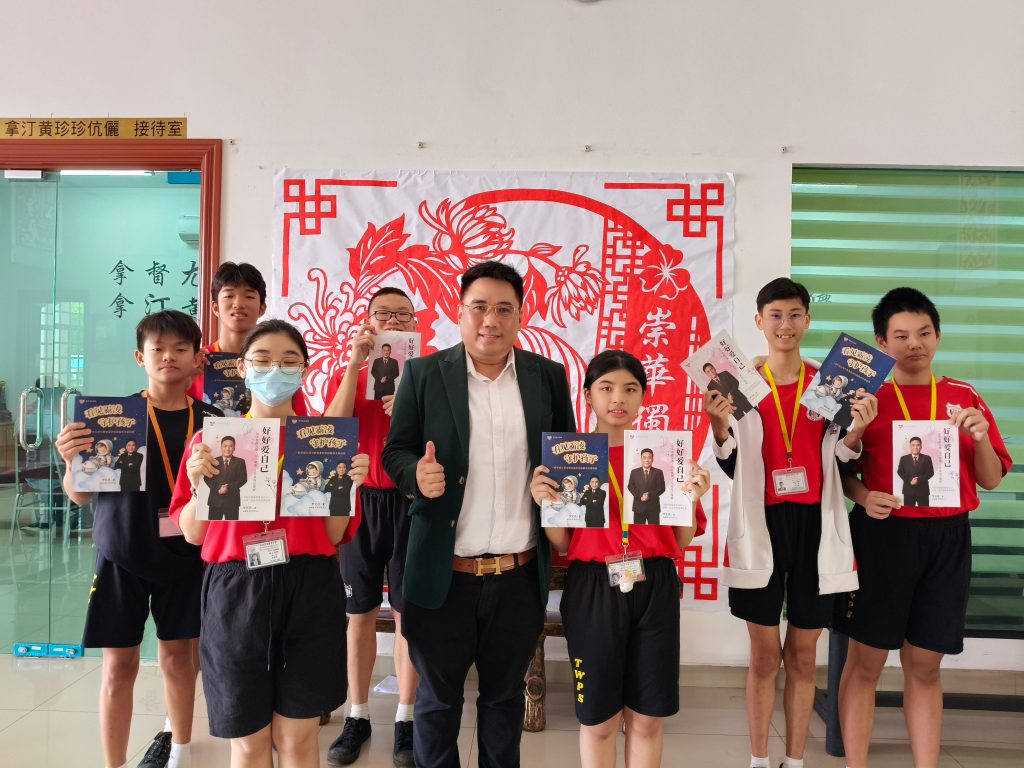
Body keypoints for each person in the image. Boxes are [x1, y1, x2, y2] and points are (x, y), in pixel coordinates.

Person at [382, 262, 576, 768]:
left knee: (504, 700)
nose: (491, 320)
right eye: (480, 307)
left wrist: (557, 488)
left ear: (520, 315)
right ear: (459, 311)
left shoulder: (547, 377)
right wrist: (415, 475)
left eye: (504, 309)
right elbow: (395, 451)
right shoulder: (423, 374)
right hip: (443, 573)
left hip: (517, 575)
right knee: (437, 702)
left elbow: (568, 456)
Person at [169, 319, 370, 768]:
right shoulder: (208, 442)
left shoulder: (324, 443)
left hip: (309, 586)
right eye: (262, 360)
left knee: (298, 738)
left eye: (288, 361)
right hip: (236, 587)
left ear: (304, 370)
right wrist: (200, 484)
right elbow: (192, 533)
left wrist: (346, 488)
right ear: (242, 367)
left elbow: (333, 535)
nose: (274, 370)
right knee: (249, 740)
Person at [704, 277, 877, 768]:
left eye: (795, 314)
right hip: (761, 523)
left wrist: (856, 432)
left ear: (808, 320)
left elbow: (841, 461)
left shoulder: (829, 383)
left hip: (815, 527)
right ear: (759, 321)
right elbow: (732, 464)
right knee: (764, 657)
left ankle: (795, 760)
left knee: (802, 655)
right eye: (776, 315)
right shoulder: (741, 385)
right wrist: (718, 424)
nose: (786, 324)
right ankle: (760, 759)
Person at [834, 287, 1011, 768]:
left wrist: (979, 437)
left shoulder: (963, 397)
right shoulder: (863, 398)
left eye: (924, 333)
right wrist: (864, 497)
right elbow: (838, 472)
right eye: (901, 335)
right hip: (883, 537)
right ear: (881, 342)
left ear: (938, 336)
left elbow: (991, 479)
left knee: (926, 664)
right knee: (866, 661)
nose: (915, 343)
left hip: (947, 539)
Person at [54, 310, 222, 768]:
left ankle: (180, 751)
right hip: (121, 554)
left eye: (180, 348)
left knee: (179, 660)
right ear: (139, 357)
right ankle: (113, 763)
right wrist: (70, 463)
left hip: (186, 558)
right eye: (157, 349)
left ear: (198, 359)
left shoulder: (214, 423)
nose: (169, 357)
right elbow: (80, 496)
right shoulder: (111, 418)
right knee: (118, 666)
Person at [531, 350, 709, 768]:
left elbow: (680, 541)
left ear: (643, 396)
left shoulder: (664, 456)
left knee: (646, 719)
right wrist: (546, 505)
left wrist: (691, 498)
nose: (618, 399)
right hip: (593, 586)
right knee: (599, 722)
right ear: (587, 395)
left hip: (655, 582)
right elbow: (562, 543)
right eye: (606, 388)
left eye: (630, 389)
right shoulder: (569, 457)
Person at [322, 286, 421, 767]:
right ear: (368, 321)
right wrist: (352, 364)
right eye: (384, 314)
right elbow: (328, 430)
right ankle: (357, 714)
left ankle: (406, 717)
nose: (393, 321)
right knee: (357, 611)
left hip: (409, 502)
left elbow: (444, 444)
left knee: (407, 613)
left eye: (403, 315)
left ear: (417, 324)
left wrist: (410, 407)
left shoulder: (426, 377)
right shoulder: (353, 372)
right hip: (357, 501)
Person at [187, 261, 312, 416]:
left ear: (262, 308)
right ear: (215, 307)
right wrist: (185, 375)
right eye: (229, 295)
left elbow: (296, 422)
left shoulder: (281, 368)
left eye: (249, 296)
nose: (238, 303)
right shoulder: (198, 363)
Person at [204, 436, 247, 521]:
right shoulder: (213, 461)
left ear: (234, 448)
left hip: (232, 501)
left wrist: (228, 487)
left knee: (232, 526)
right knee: (214, 526)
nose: (227, 449)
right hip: (215, 500)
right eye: (225, 446)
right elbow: (207, 478)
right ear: (221, 447)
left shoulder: (240, 462)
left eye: (230, 446)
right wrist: (218, 488)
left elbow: (243, 479)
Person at [627, 449, 666, 525]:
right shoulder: (634, 472)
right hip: (638, 507)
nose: (647, 460)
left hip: (653, 508)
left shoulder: (658, 472)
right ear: (641, 459)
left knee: (654, 530)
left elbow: (661, 488)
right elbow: (630, 486)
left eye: (649, 457)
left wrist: (649, 495)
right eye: (644, 457)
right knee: (638, 530)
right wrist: (640, 496)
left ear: (652, 459)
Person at [896, 436, 934, 506]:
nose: (915, 447)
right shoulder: (904, 458)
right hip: (908, 491)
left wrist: (918, 479)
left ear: (921, 446)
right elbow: (900, 471)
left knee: (924, 511)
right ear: (910, 446)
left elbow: (930, 472)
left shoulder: (927, 458)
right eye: (913, 445)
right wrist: (909, 481)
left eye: (918, 445)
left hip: (923, 491)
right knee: (908, 512)